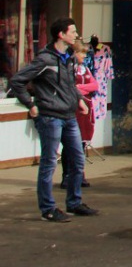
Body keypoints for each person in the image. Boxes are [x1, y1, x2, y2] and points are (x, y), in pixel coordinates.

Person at [8, 17, 98, 222]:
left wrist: (79, 100)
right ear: (61, 34)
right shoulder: (45, 60)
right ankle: (48, 209)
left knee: (77, 160)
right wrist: (30, 105)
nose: (76, 35)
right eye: (73, 31)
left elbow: (68, 85)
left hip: (69, 116)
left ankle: (74, 203)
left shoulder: (69, 58)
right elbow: (17, 81)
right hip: (50, 117)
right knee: (49, 163)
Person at [61, 38, 99, 190]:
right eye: (82, 53)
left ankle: (79, 174)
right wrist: (82, 89)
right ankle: (66, 175)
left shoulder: (85, 69)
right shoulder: (69, 69)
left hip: (85, 109)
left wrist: (81, 88)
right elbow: (70, 87)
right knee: (69, 144)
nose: (84, 56)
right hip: (72, 109)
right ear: (75, 53)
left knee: (82, 144)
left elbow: (94, 85)